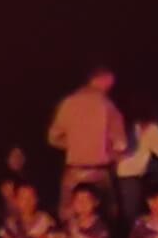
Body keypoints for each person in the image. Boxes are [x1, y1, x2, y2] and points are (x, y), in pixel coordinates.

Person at [48, 67, 132, 212]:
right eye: (109, 82)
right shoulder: (107, 106)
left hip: (74, 172)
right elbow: (121, 144)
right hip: (99, 172)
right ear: (102, 79)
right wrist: (111, 153)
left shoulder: (68, 103)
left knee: (70, 217)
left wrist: (74, 145)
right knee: (105, 219)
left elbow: (53, 138)